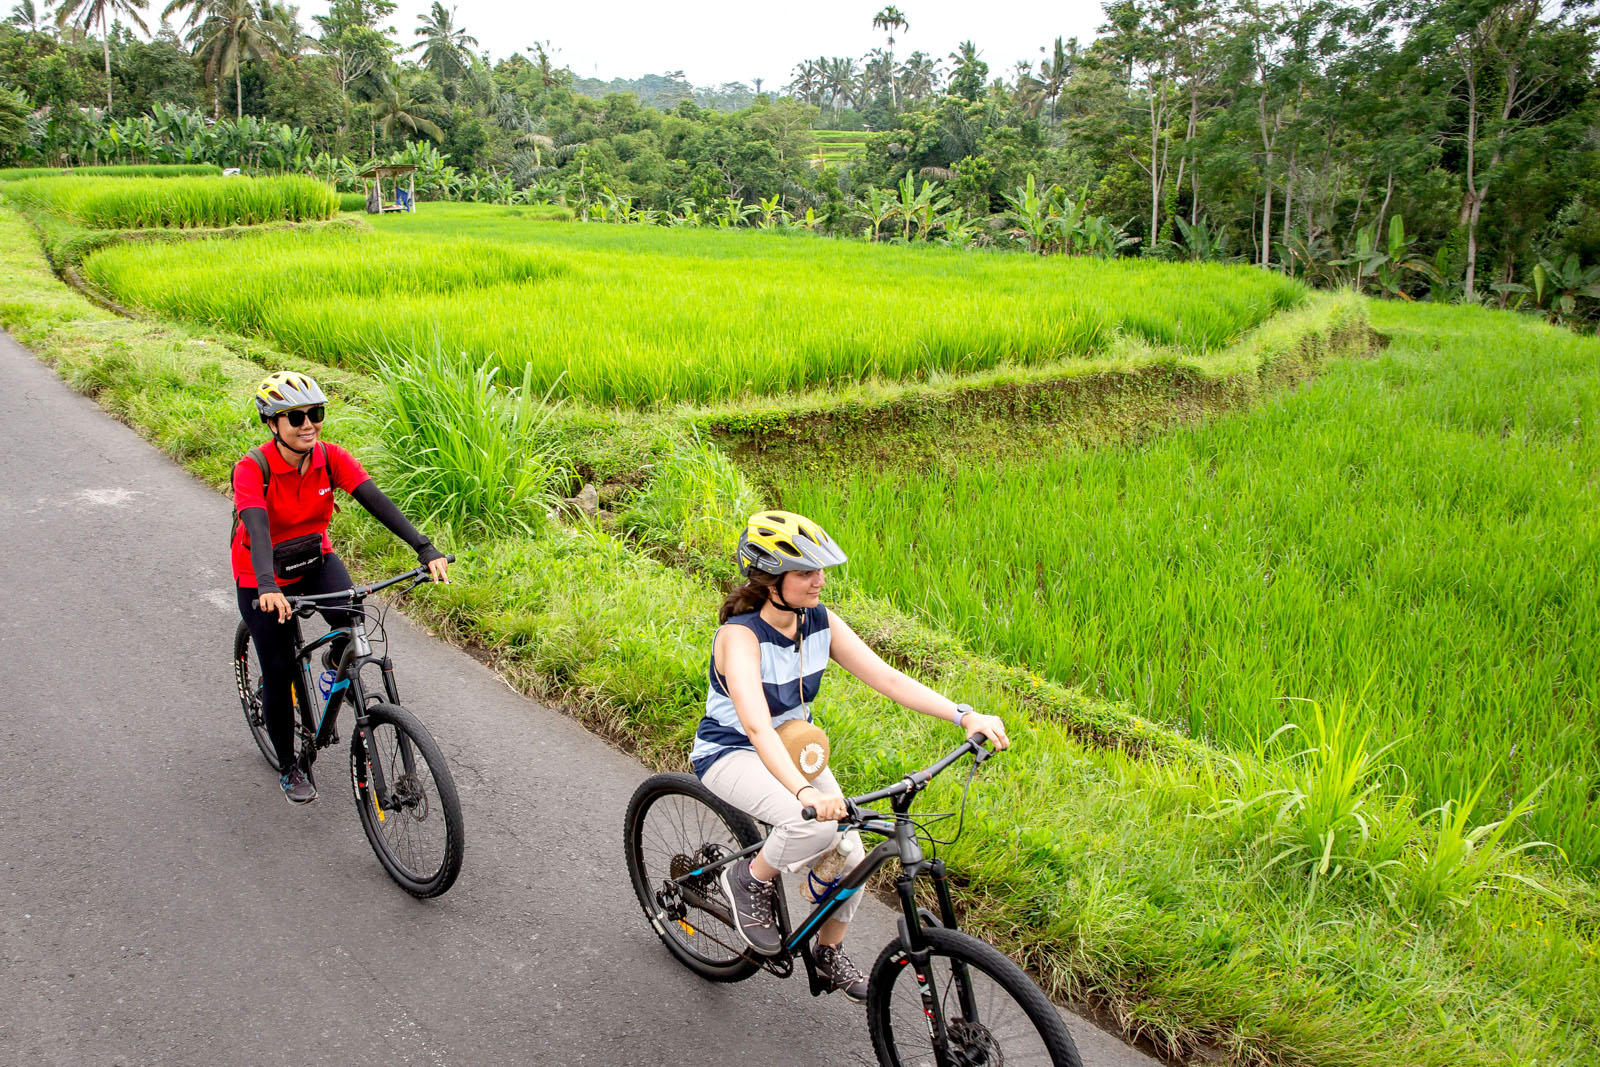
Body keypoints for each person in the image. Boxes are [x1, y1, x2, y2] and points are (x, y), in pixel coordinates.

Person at [694, 510, 1010, 1001]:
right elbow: (756, 726)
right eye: (805, 572)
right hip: (732, 753)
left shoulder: (820, 621)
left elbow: (888, 679)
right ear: (769, 578)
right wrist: (802, 794)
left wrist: (964, 714)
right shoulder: (740, 637)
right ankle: (747, 878)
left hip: (794, 750)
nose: (819, 581)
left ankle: (827, 954)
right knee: (814, 825)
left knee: (852, 852)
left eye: (821, 570)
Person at [234, 371, 448, 804]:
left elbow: (375, 500)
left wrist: (424, 547)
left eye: (316, 413)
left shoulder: (331, 458)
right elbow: (255, 528)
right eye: (295, 417)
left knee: (353, 625)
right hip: (263, 576)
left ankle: (336, 663)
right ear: (272, 424)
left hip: (314, 559)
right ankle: (290, 764)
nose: (308, 423)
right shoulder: (252, 468)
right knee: (277, 672)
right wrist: (267, 585)